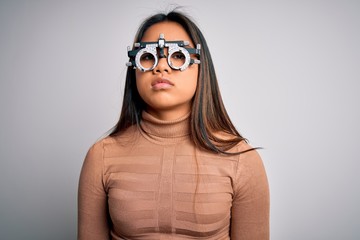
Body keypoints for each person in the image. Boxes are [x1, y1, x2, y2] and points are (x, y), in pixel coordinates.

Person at [78, 10, 269, 240]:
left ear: (201, 66)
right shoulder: (101, 157)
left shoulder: (242, 160)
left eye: (178, 56)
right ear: (134, 68)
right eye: (148, 56)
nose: (161, 67)